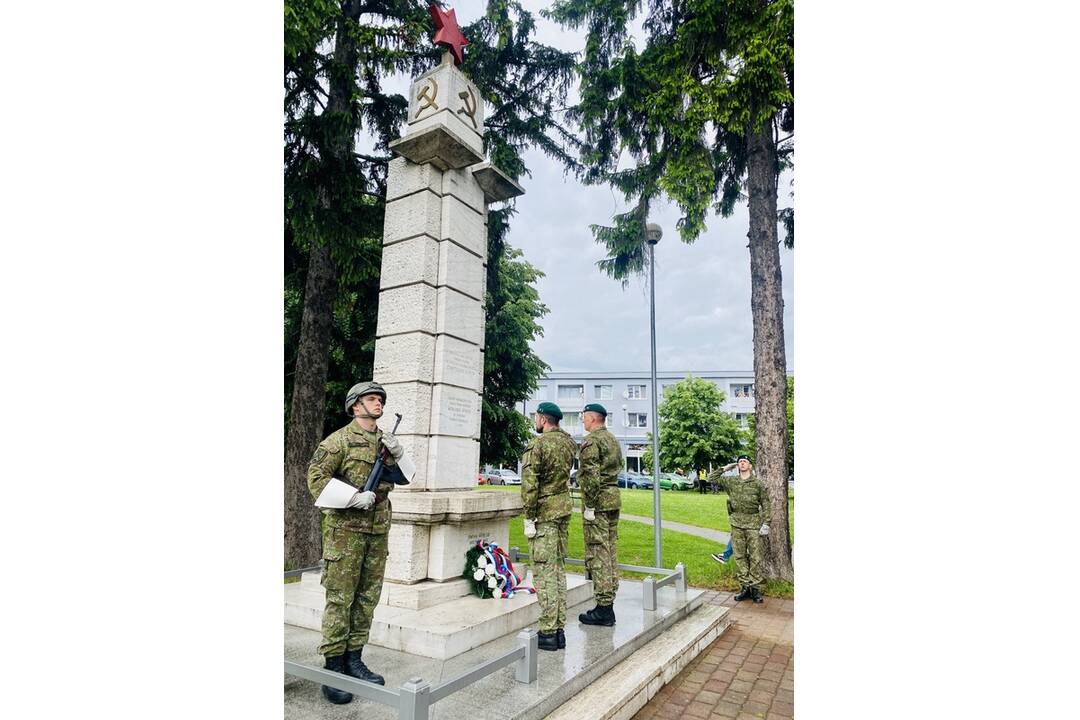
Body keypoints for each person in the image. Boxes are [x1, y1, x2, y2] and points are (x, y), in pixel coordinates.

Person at [307, 381, 406, 704]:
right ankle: (333, 667)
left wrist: (399, 456)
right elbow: (316, 481)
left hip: (377, 532)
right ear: (355, 406)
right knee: (341, 600)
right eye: (371, 399)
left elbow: (404, 477)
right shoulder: (338, 442)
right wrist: (352, 497)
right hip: (345, 534)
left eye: (379, 399)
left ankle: (354, 659)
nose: (378, 403)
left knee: (367, 599)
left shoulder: (385, 442)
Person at [520, 401, 577, 651]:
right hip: (563, 509)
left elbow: (530, 485)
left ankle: (548, 631)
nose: (535, 421)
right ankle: (559, 629)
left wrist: (528, 517)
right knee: (558, 570)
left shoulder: (538, 445)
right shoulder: (568, 442)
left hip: (543, 514)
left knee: (544, 573)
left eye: (536, 417)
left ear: (543, 419)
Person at [577, 403, 623, 627]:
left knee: (599, 552)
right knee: (611, 549)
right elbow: (618, 466)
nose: (583, 422)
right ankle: (609, 598)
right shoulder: (612, 439)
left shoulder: (592, 441)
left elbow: (592, 477)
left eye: (584, 418)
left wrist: (590, 506)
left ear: (593, 418)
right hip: (613, 499)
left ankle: (604, 608)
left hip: (599, 504)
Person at [708, 455, 771, 604]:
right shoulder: (732, 481)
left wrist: (767, 523)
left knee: (755, 557)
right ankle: (744, 587)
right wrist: (726, 467)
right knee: (740, 556)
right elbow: (711, 478)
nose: (742, 463)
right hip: (736, 523)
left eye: (745, 462)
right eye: (740, 462)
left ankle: (755, 589)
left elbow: (766, 503)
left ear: (750, 466)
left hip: (753, 524)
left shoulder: (757, 484)